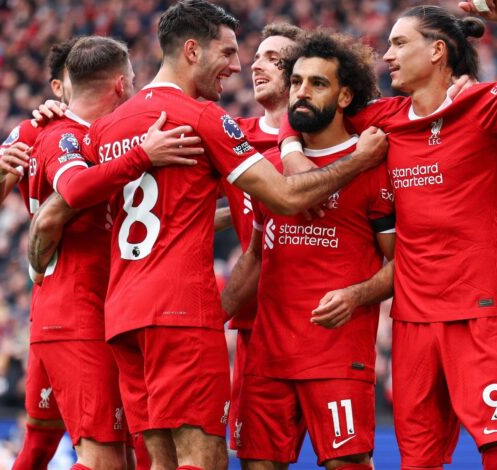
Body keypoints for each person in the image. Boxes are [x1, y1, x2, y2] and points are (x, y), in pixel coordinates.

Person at [40, 1, 387, 469]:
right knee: (202, 459)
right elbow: (285, 197)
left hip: (122, 314)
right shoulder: (202, 118)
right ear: (191, 50)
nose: (237, 65)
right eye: (226, 52)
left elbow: (60, 205)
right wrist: (358, 161)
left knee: (160, 462)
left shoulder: (107, 126)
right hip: (181, 311)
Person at [280, 1, 497, 468]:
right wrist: (290, 149)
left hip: (478, 308)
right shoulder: (386, 118)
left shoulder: (484, 106)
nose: (388, 55)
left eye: (399, 43)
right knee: (418, 458)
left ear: (437, 51)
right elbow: (307, 106)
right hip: (412, 317)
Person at [221, 31, 396, 470]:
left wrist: (356, 295)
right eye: (297, 81)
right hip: (268, 356)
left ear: (345, 96)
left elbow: (404, 262)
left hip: (337, 355)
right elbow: (256, 256)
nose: (301, 92)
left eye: (317, 83)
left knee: (347, 464)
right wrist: (212, 319)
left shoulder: (375, 165)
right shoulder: (270, 171)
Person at [25, 36, 201, 470]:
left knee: (97, 453)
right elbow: (64, 200)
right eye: (135, 80)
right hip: (75, 313)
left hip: (94, 312)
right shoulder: (64, 136)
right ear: (121, 84)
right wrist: (142, 155)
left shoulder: (96, 139)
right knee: (102, 460)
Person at [0, 38, 76, 470]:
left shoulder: (111, 127)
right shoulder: (32, 131)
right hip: (63, 299)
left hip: (90, 298)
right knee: (58, 444)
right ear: (57, 86)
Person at [219, 22, 305, 457]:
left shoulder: (335, 134)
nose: (256, 65)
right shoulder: (230, 136)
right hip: (258, 323)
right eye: (256, 58)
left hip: (325, 320)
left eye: (273, 58)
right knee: (257, 458)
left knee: (348, 457)